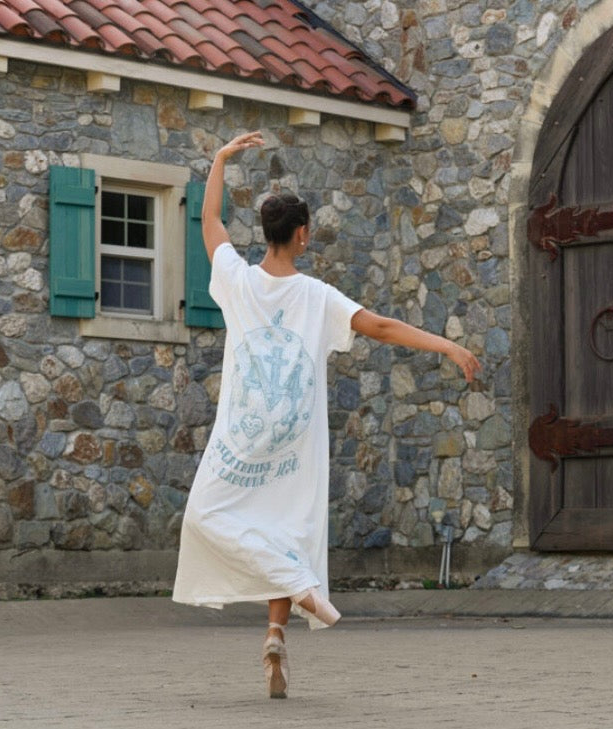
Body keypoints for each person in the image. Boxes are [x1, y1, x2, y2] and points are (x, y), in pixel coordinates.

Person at [172, 131, 481, 699]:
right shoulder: (317, 295)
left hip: (240, 437)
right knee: (288, 528)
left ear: (266, 234)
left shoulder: (236, 280)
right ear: (303, 235)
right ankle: (296, 595)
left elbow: (210, 223)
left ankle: (275, 634)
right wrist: (448, 346)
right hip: (292, 440)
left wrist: (219, 159)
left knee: (206, 516)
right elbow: (383, 327)